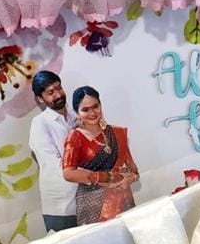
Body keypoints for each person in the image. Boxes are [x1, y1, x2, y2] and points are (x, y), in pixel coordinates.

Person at [62, 86, 139, 225]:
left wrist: (129, 179)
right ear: (77, 112)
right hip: (93, 204)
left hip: (123, 199)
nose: (92, 113)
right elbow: (68, 173)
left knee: (129, 235)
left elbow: (134, 171)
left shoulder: (116, 133)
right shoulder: (75, 137)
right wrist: (107, 177)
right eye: (85, 110)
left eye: (95, 106)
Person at [28, 70, 78, 232]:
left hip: (86, 199)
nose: (58, 95)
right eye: (50, 93)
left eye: (59, 88)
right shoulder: (40, 124)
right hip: (61, 208)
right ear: (40, 99)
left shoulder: (76, 116)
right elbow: (55, 166)